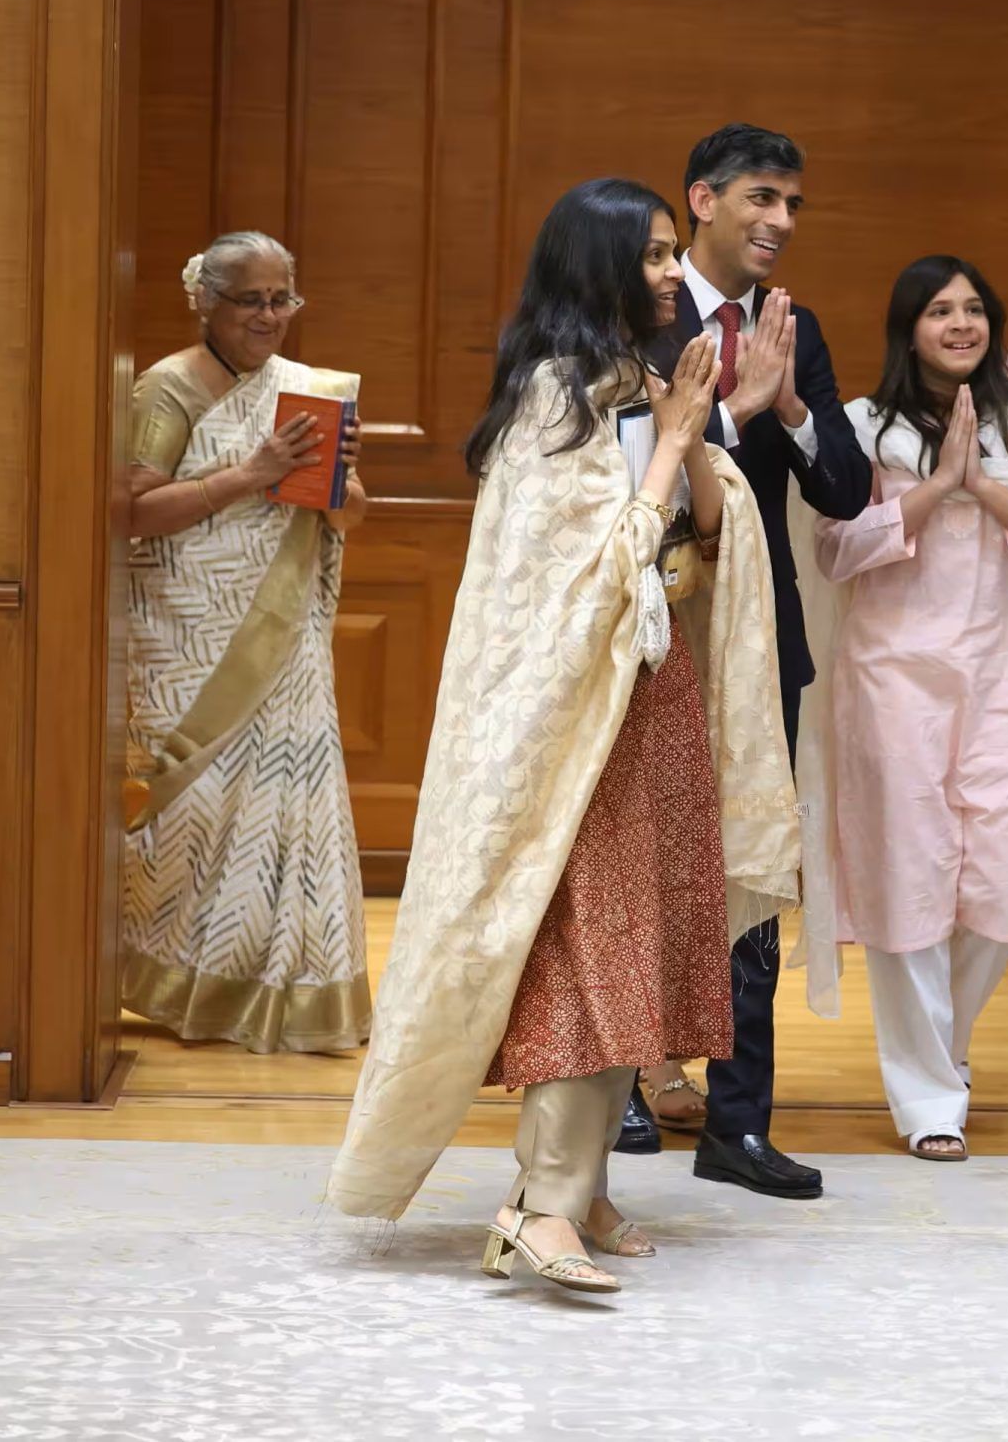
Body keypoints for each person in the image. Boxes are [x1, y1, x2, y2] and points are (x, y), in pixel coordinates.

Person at [325, 179, 800, 1297]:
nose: (665, 276)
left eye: (670, 256)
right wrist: (674, 441)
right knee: (589, 959)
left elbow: (708, 521)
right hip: (572, 728)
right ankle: (540, 1207)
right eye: (648, 257)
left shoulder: (641, 380)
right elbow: (576, 577)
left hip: (651, 703)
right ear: (591, 267)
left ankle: (579, 1187)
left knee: (642, 952)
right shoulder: (555, 398)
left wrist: (692, 439)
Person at [796, 256, 1008, 1160]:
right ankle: (929, 1100)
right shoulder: (860, 429)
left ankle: (945, 1058)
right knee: (909, 877)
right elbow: (835, 552)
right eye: (939, 310)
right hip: (895, 681)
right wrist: (931, 489)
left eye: (973, 308)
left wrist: (987, 486)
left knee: (999, 878)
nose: (959, 324)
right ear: (908, 328)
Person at [621, 123, 872, 1200]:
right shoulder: (639, 310)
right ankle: (627, 1089)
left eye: (793, 206)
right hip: (651, 625)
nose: (779, 222)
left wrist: (798, 404)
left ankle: (739, 1122)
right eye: (762, 199)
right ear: (704, 201)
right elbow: (638, 462)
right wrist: (736, 407)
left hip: (758, 637)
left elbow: (848, 493)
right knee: (637, 857)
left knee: (754, 873)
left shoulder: (790, 326)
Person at [121, 231, 370, 1054]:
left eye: (283, 298)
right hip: (187, 636)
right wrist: (252, 472)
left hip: (283, 634)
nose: (270, 317)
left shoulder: (308, 392)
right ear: (206, 302)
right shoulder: (166, 388)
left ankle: (279, 995)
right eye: (252, 300)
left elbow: (347, 516)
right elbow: (131, 511)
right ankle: (177, 980)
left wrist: (338, 480)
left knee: (285, 805)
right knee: (192, 811)